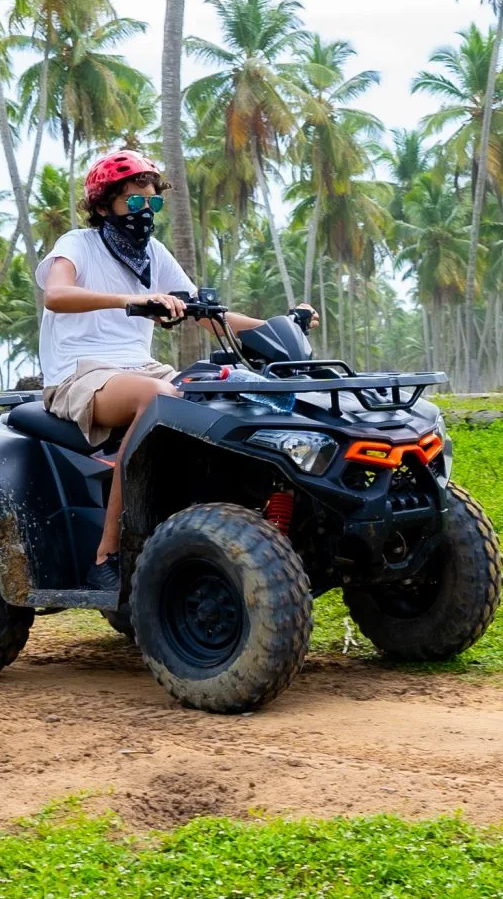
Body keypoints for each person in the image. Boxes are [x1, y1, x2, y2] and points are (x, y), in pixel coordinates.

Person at [36, 150, 309, 581]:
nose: (147, 212)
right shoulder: (78, 244)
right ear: (104, 205)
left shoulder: (153, 255)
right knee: (159, 399)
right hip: (78, 373)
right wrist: (134, 301)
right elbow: (57, 295)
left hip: (139, 368)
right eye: (135, 202)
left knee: (223, 393)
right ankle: (108, 555)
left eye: (154, 203)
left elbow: (206, 314)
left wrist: (278, 327)